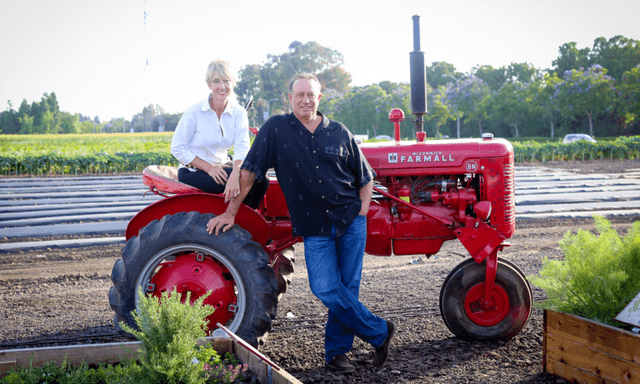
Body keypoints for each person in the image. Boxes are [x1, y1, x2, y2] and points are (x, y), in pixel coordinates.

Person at [206, 73, 395, 373]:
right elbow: (250, 172)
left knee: (347, 287)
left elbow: (365, 176)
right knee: (324, 288)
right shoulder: (276, 129)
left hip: (350, 221)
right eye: (300, 95)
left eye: (311, 95)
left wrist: (363, 209)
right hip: (314, 226)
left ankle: (336, 354)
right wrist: (231, 212)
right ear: (290, 98)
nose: (306, 100)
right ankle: (380, 332)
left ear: (320, 98)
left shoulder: (338, 131)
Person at [170, 59, 268, 209]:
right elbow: (177, 147)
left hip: (223, 167)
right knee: (248, 180)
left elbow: (242, 148)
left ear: (233, 83)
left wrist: (236, 173)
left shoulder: (238, 113)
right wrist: (209, 168)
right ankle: (236, 218)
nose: (222, 86)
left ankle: (246, 217)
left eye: (226, 81)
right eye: (216, 81)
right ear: (209, 84)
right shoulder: (194, 112)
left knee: (262, 179)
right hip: (194, 171)